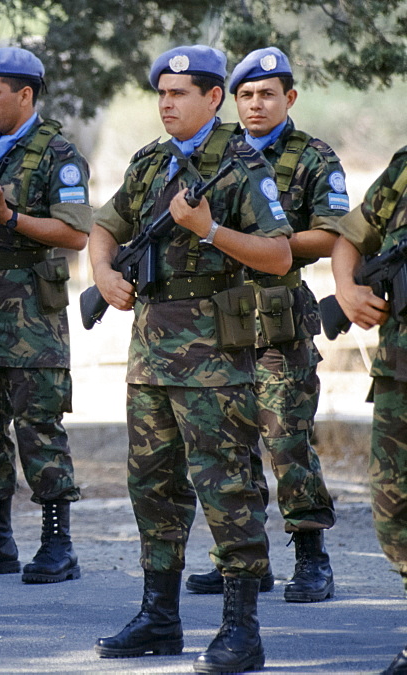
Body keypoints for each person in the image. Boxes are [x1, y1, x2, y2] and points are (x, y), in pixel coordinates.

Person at [89, 45, 293, 673]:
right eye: (161, 93)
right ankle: (159, 616)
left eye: (180, 93)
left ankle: (241, 628)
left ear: (212, 98)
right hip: (151, 353)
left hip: (213, 357)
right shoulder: (151, 162)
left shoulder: (242, 166)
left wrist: (209, 231)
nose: (167, 103)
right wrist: (102, 274)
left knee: (225, 486)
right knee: (153, 487)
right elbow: (105, 224)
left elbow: (280, 256)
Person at [185, 47, 344, 604]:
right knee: (225, 445)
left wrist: (255, 246)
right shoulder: (213, 152)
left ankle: (311, 558)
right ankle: (240, 559)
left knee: (287, 442)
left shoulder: (312, 157)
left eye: (267, 94)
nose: (255, 104)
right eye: (245, 96)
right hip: (214, 321)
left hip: (278, 323)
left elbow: (331, 234)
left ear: (289, 98)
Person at [0, 46, 89, 583]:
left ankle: (58, 544)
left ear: (25, 95)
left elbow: (76, 232)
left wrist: (13, 218)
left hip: (32, 320)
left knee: (39, 430)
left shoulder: (59, 154)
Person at [331, 145, 407, 675]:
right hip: (399, 375)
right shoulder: (404, 169)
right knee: (394, 509)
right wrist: (347, 290)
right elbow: (351, 238)